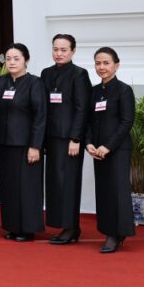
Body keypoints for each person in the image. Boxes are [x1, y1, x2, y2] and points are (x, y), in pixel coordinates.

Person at [0, 43, 47, 242]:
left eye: (16, 58)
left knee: (27, 187)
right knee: (9, 187)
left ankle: (28, 228)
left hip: (26, 145)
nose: (12, 62)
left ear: (26, 60)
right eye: (8, 59)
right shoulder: (0, 82)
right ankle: (13, 226)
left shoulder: (34, 83)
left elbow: (40, 116)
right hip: (5, 144)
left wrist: (35, 145)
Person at [40, 34, 91, 245]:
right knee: (55, 183)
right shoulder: (46, 73)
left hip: (69, 139)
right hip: (51, 138)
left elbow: (82, 109)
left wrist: (76, 138)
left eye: (63, 50)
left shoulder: (79, 74)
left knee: (68, 182)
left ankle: (71, 227)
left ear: (73, 51)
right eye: (55, 49)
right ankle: (60, 224)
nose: (58, 54)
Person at [86, 47, 136, 254]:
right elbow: (89, 120)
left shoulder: (123, 90)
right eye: (98, 63)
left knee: (117, 192)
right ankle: (108, 230)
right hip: (98, 150)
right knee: (104, 192)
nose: (101, 67)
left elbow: (126, 122)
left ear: (116, 65)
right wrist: (89, 142)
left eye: (106, 63)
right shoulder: (95, 91)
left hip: (117, 150)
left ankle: (117, 233)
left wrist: (108, 146)